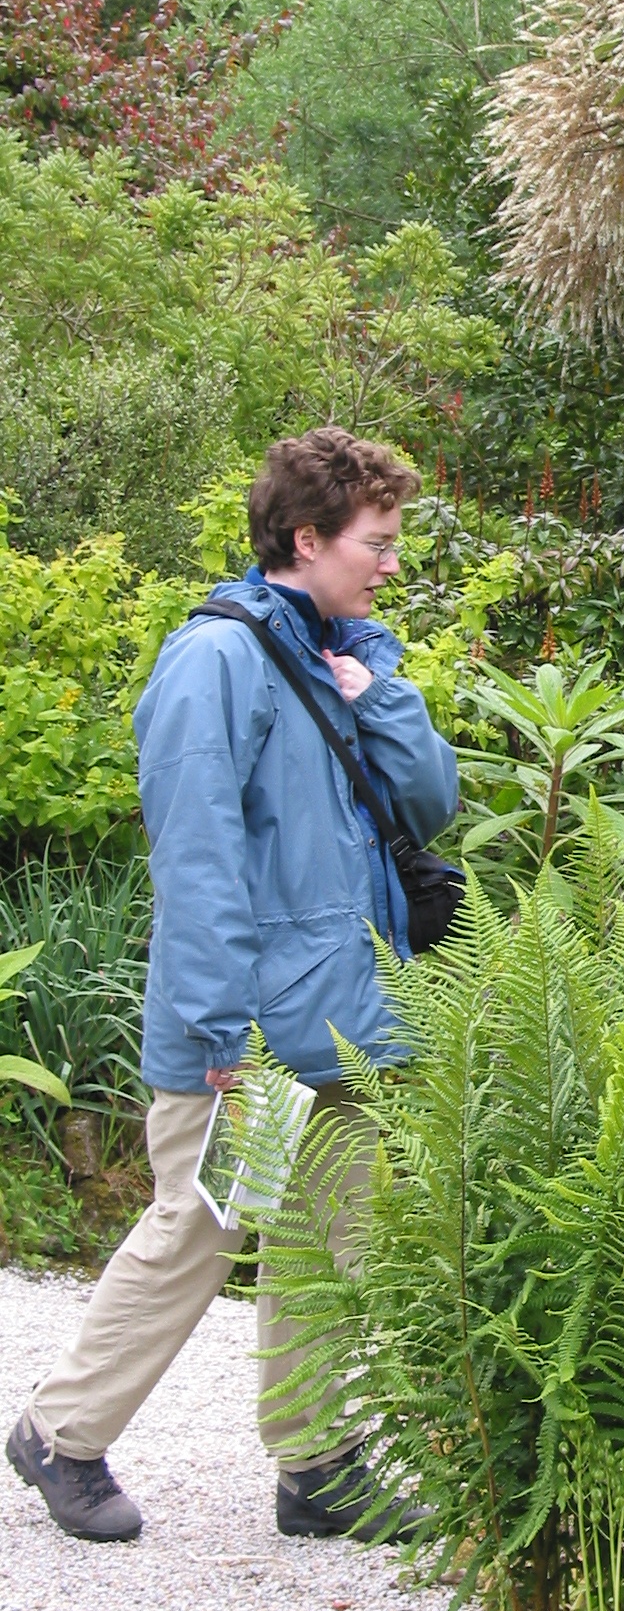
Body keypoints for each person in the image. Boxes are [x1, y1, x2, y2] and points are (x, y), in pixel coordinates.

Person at [7, 427, 458, 1544]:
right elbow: (196, 858)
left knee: (330, 1243)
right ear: (306, 539)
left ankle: (320, 1466)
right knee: (199, 1230)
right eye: (377, 543)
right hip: (245, 1030)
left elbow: (429, 804)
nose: (391, 564)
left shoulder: (344, 656)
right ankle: (61, 1434)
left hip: (346, 1018)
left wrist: (380, 692)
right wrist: (216, 1031)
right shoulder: (215, 661)